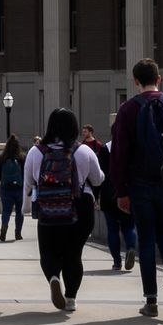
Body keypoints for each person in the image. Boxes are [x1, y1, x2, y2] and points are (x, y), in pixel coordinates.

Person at [111, 59, 163, 318]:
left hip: (140, 184)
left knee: (146, 238)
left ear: (135, 81)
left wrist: (121, 191)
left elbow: (119, 154)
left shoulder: (128, 110)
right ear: (159, 78)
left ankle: (151, 300)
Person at [24, 108, 104, 311]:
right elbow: (98, 178)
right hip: (80, 206)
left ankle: (53, 278)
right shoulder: (84, 151)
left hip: (49, 206)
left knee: (48, 251)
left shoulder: (36, 152)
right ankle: (70, 299)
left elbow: (29, 183)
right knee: (73, 254)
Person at [86, 123, 137, 270]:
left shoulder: (105, 149)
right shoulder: (133, 149)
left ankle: (117, 262)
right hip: (127, 192)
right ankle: (131, 248)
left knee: (112, 229)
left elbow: (99, 175)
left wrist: (95, 195)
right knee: (129, 226)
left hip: (109, 193)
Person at [0, 135, 25, 242]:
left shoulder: (3, 158)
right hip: (19, 189)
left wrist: (4, 181)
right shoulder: (21, 157)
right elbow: (25, 173)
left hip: (6, 189)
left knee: (6, 211)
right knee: (19, 211)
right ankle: (18, 233)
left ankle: (4, 227)